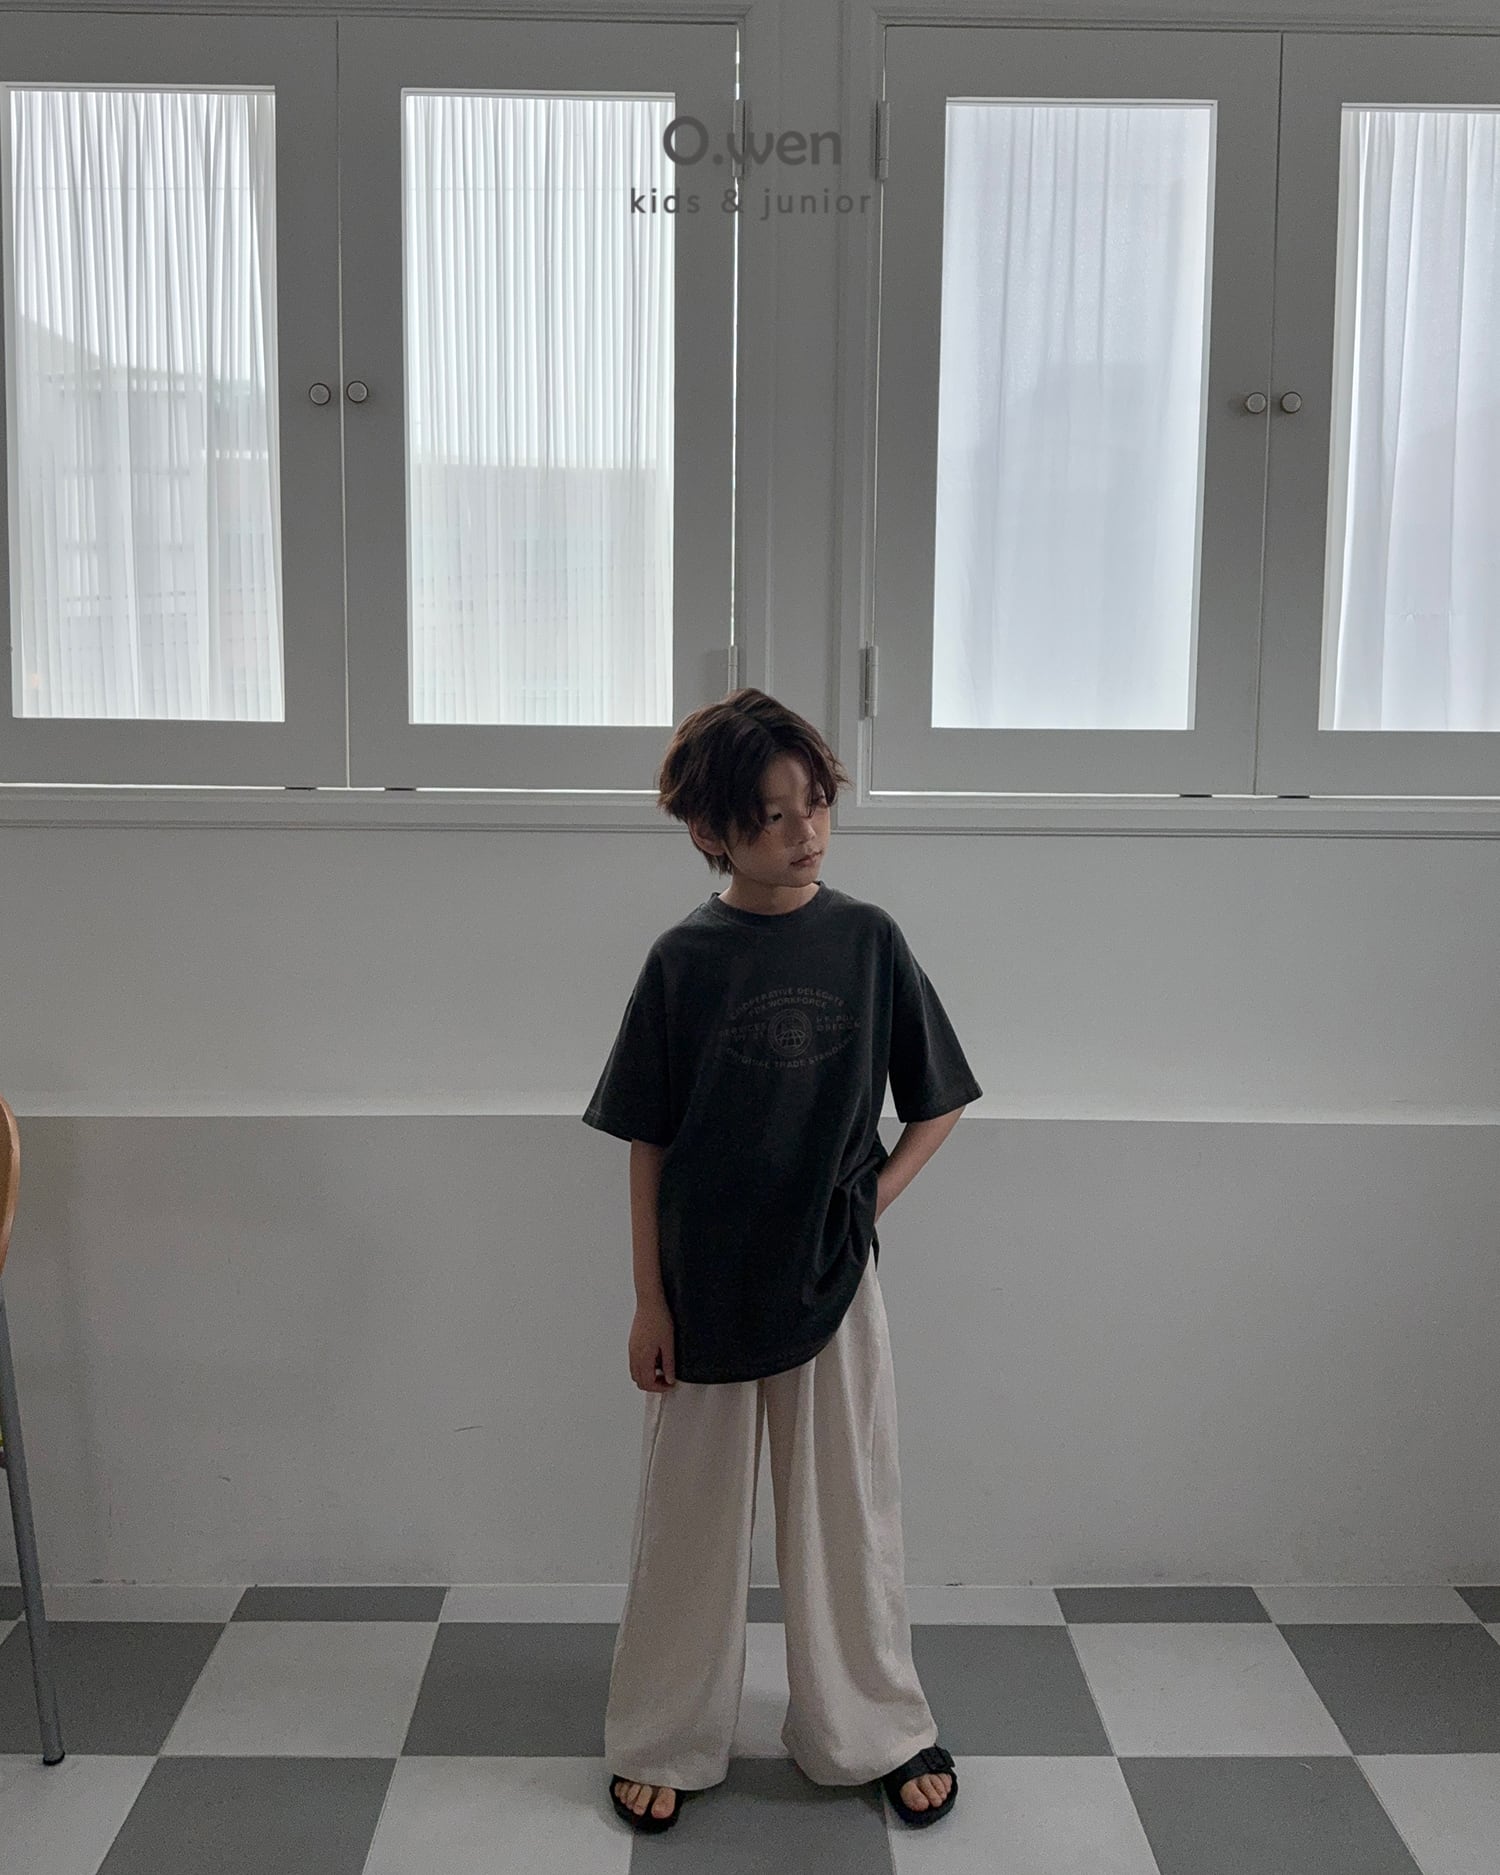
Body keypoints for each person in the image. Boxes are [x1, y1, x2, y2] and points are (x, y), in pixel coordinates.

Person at [582, 687, 982, 1834]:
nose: (806, 832)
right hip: (702, 1291)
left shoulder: (868, 940)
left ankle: (872, 1730)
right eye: (772, 814)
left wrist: (868, 1201)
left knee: (849, 1520)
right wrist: (648, 1301)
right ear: (712, 829)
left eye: (816, 804)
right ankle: (663, 1733)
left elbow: (939, 1101)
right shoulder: (683, 961)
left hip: (833, 1287)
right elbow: (649, 1140)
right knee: (689, 1530)